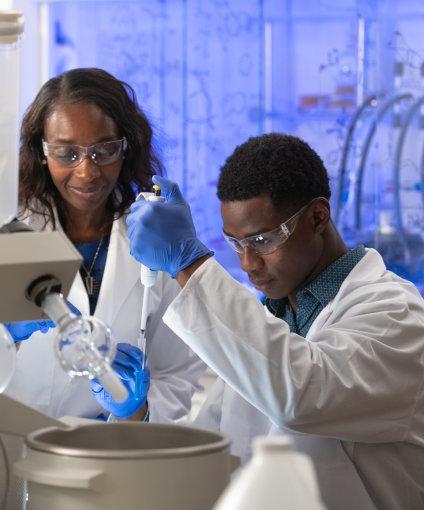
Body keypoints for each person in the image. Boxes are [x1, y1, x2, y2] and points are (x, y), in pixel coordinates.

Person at [126, 133, 424, 510]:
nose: (248, 263)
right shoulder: (270, 320)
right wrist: (136, 414)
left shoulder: (396, 315)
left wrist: (189, 264)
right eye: (235, 244)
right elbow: (209, 449)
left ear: (318, 216)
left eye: (263, 240)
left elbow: (304, 395)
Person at [4, 67, 204, 423]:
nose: (86, 172)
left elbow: (180, 375)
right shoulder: (4, 234)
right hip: (9, 450)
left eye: (103, 151)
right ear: (41, 151)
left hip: (112, 457)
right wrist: (0, 330)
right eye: (67, 154)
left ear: (126, 147)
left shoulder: (155, 241)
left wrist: (134, 409)